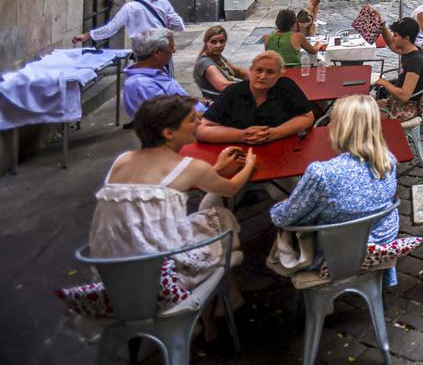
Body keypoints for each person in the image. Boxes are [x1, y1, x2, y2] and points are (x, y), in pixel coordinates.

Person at [90, 94, 255, 339]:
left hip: (112, 271)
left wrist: (215, 170)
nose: (199, 122)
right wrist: (250, 162)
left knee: (209, 222)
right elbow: (230, 188)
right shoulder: (190, 166)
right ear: (168, 132)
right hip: (161, 275)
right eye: (191, 119)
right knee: (222, 217)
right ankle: (215, 312)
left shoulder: (122, 160)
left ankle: (221, 305)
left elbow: (162, 185)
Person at [269, 95, 401, 286]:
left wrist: (280, 204)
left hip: (333, 259)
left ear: (341, 127)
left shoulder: (323, 173)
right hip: (379, 248)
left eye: (333, 120)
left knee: (287, 226)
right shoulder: (388, 161)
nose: (329, 126)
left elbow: (282, 218)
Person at [197, 51, 315, 144]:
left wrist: (274, 133)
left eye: (270, 72)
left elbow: (307, 117)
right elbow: (202, 129)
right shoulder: (233, 92)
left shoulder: (286, 87)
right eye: (258, 70)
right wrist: (241, 135)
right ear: (251, 71)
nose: (262, 76)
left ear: (278, 75)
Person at [73, 0, 186, 46]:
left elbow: (111, 28)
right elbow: (179, 25)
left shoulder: (130, 7)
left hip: (144, 50)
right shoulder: (163, 3)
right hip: (162, 50)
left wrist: (87, 35)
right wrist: (163, 32)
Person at [124, 28, 194, 118]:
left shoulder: (158, 70)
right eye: (171, 47)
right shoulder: (143, 85)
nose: (174, 51)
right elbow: (170, 115)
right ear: (157, 52)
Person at [374, 17, 423, 122]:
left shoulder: (415, 61)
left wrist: (385, 84)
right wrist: (382, 26)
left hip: (406, 108)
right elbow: (390, 44)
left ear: (406, 38)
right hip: (396, 101)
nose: (393, 38)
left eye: (395, 35)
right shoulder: (408, 50)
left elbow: (404, 96)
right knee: (362, 107)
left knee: (363, 116)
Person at [194, 26, 249, 100]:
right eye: (213, 42)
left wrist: (254, 76)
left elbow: (237, 71)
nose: (218, 45)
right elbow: (224, 85)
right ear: (206, 43)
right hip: (223, 102)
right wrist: (251, 85)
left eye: (222, 41)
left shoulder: (217, 57)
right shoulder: (205, 63)